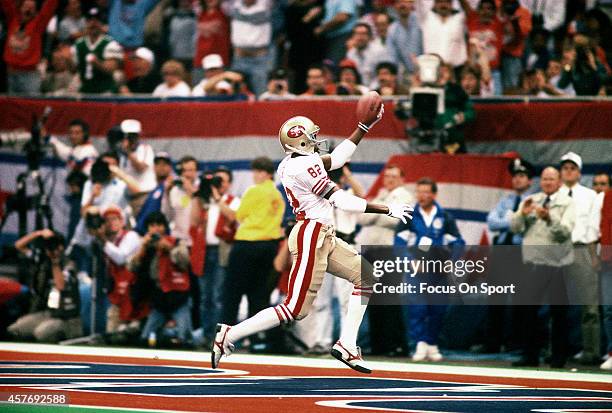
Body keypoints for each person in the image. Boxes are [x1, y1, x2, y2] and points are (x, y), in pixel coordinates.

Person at [212, 100, 414, 374]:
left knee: (366, 277)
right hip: (311, 235)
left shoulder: (294, 162)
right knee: (294, 309)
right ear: (300, 143)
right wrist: (387, 208)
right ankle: (229, 335)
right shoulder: (302, 167)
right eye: (311, 138)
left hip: (322, 234)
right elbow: (341, 200)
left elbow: (339, 158)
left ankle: (347, 344)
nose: (316, 141)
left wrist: (364, 127)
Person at [395, 177, 465, 362]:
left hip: (438, 271)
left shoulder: (445, 217)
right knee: (417, 307)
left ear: (434, 194)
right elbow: (399, 243)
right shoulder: (408, 216)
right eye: (419, 191)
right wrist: (409, 261)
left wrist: (452, 260)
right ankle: (419, 343)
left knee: (438, 308)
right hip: (416, 271)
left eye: (426, 192)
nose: (422, 196)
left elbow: (458, 242)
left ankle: (432, 343)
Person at [510, 166, 574, 368]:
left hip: (557, 263)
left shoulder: (568, 203)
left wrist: (549, 218)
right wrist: (522, 214)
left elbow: (565, 233)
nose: (547, 182)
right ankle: (530, 355)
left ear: (559, 182)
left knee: (558, 313)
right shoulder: (531, 200)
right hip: (532, 262)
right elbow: (515, 228)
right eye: (544, 179)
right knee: (529, 311)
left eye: (551, 179)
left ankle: (558, 357)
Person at [218, 157, 285, 349]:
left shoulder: (254, 191)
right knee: (259, 296)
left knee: (233, 293)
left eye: (256, 172)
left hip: (247, 244)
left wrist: (217, 200)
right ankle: (257, 339)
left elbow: (239, 215)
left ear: (263, 173)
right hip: (269, 247)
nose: (254, 176)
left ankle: (224, 337)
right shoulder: (277, 195)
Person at [477, 158, 534, 353]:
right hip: (502, 250)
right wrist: (513, 222)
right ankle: (492, 342)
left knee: (519, 299)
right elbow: (492, 222)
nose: (517, 180)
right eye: (515, 176)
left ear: (530, 181)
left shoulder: (534, 200)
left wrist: (510, 220)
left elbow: (527, 226)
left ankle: (516, 342)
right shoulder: (506, 200)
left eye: (522, 176)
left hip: (520, 251)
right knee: (496, 298)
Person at [559, 152, 601, 365]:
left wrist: (594, 255)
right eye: (565, 168)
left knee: (589, 305)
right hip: (556, 251)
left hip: (581, 249)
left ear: (579, 172)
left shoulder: (590, 196)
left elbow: (594, 226)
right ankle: (557, 351)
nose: (568, 171)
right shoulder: (552, 194)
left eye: (572, 168)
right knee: (555, 306)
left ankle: (591, 351)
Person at [191, 167, 241, 343]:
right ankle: (206, 335)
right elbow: (194, 222)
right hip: (203, 251)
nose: (217, 184)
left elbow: (233, 217)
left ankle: (218, 337)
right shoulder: (204, 201)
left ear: (228, 184)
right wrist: (198, 196)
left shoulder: (232, 200)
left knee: (218, 296)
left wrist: (218, 198)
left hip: (222, 252)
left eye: (222, 181)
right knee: (205, 297)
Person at [129, 211, 193, 347]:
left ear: (164, 227)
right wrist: (142, 248)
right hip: (158, 297)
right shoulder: (145, 245)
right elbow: (131, 267)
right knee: (145, 338)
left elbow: (185, 261)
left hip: (177, 294)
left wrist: (169, 248)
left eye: (159, 225)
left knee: (185, 339)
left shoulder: (176, 242)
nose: (156, 229)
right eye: (152, 225)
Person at [7, 230, 82, 342]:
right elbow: (18, 246)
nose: (52, 249)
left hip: (67, 317)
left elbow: (61, 286)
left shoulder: (69, 265)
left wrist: (55, 263)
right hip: (49, 313)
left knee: (42, 333)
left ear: (62, 247)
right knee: (15, 330)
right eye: (48, 246)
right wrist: (38, 233)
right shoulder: (42, 259)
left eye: (55, 245)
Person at [89, 205, 145, 335]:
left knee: (129, 334)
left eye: (114, 219)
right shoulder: (108, 240)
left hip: (135, 295)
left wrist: (103, 241)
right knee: (112, 335)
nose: (111, 223)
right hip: (118, 295)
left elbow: (121, 258)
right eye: (107, 220)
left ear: (122, 221)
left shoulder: (131, 236)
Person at [1, 0, 59, 94]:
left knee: (31, 106)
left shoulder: (38, 25)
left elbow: (49, 7)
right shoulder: (13, 19)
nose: (28, 10)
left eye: (31, 8)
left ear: (35, 12)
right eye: (26, 6)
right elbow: (6, 3)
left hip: (29, 75)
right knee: (13, 106)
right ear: (20, 9)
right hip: (11, 73)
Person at [72, 8, 124, 94]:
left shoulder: (111, 44)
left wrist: (97, 63)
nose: (93, 23)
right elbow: (74, 68)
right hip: (85, 91)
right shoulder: (78, 44)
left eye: (96, 20)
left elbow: (111, 68)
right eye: (90, 20)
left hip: (105, 92)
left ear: (102, 23)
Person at [229, 0, 273, 96]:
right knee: (235, 95)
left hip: (259, 60)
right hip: (239, 59)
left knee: (261, 95)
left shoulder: (265, 5)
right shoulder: (235, 6)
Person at [118, 119, 157, 214]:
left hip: (144, 196)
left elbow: (140, 168)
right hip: (127, 198)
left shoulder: (145, 149)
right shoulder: (122, 154)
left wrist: (128, 152)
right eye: (127, 136)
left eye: (133, 136)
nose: (131, 140)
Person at [135, 152, 175, 235]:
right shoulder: (155, 189)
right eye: (158, 164)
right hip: (143, 232)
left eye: (164, 164)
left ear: (170, 167)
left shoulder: (173, 187)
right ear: (154, 167)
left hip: (160, 234)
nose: (161, 167)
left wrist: (169, 191)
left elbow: (173, 212)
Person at [162, 156, 199, 244]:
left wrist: (190, 189)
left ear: (196, 171)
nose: (187, 174)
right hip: (179, 238)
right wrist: (167, 192)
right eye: (184, 170)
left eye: (190, 170)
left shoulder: (202, 188)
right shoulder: (175, 190)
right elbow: (167, 216)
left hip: (197, 240)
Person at [193, 0, 230, 84]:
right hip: (201, 60)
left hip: (219, 60)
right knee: (199, 90)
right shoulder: (199, 12)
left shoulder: (225, 11)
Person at [345, 22, 391, 87]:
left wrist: (370, 90)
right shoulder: (350, 54)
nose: (360, 37)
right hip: (358, 90)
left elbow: (383, 75)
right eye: (357, 34)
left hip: (377, 89)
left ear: (369, 36)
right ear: (353, 36)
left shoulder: (379, 51)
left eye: (363, 34)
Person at [387, 0, 423, 78]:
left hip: (427, 69)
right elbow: (393, 59)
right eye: (399, 2)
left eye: (405, 1)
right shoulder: (392, 29)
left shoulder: (421, 22)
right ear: (394, 6)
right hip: (407, 76)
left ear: (411, 3)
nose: (402, 5)